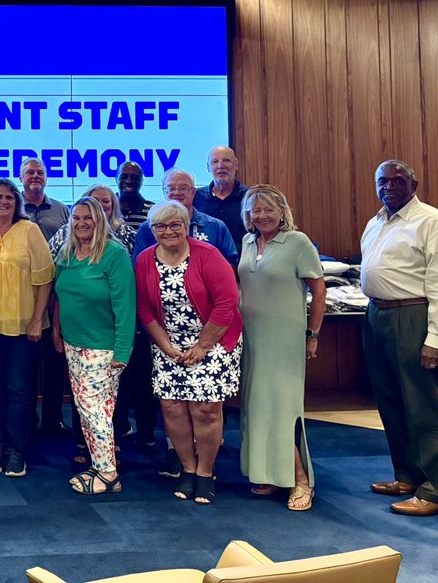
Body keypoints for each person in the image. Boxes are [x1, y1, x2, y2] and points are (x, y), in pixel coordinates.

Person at [361, 159, 438, 517]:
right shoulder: (376, 222)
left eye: (397, 180)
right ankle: (407, 477)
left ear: (414, 184)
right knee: (392, 401)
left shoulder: (432, 223)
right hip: (378, 315)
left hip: (413, 317)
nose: (389, 186)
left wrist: (437, 339)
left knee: (425, 405)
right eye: (382, 181)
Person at [135, 200, 242, 506]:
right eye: (160, 226)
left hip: (214, 341)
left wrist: (201, 347)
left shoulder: (208, 255)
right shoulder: (144, 260)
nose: (168, 231)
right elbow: (144, 307)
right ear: (151, 230)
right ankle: (188, 468)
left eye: (175, 225)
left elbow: (226, 303)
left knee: (205, 409)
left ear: (186, 226)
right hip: (168, 344)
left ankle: (206, 473)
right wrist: (166, 346)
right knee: (172, 409)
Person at [237, 184, 325, 511]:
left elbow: (319, 290)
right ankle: (270, 474)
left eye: (267, 210)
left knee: (284, 409)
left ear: (281, 210)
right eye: (255, 210)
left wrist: (312, 333)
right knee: (257, 406)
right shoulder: (247, 241)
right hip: (251, 337)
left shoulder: (298, 242)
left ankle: (301, 481)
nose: (261, 216)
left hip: (284, 339)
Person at [0, 178, 54, 479]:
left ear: (17, 203)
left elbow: (44, 280)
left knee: (20, 389)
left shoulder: (30, 231)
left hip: (22, 327)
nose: (3, 202)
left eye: (9, 198)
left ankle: (17, 448)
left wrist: (36, 320)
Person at [52, 197, 135, 495]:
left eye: (88, 217)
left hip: (103, 348)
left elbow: (126, 307)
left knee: (94, 410)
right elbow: (60, 296)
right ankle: (100, 464)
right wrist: (58, 332)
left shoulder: (114, 255)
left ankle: (109, 473)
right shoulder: (68, 253)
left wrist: (122, 353)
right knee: (90, 411)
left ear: (100, 220)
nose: (82, 223)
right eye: (76, 218)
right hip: (74, 345)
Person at [21, 158, 72, 439]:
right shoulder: (14, 208)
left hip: (57, 297)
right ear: (21, 177)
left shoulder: (62, 209)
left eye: (40, 172)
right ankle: (27, 419)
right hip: (24, 296)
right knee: (27, 365)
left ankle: (53, 421)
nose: (35, 176)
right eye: (30, 172)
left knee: (54, 362)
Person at [133, 170, 238, 266]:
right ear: (164, 192)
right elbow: (139, 265)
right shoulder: (148, 227)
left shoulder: (216, 227)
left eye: (183, 188)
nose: (177, 193)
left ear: (193, 192)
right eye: (171, 188)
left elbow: (231, 264)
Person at [193, 147, 250, 260]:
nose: (221, 165)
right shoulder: (195, 197)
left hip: (243, 264)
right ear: (208, 167)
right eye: (215, 162)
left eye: (226, 160)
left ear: (236, 165)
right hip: (203, 264)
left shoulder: (250, 197)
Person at [116, 162, 154, 227]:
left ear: (142, 181)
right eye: (124, 177)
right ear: (116, 179)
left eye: (134, 178)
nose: (129, 181)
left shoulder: (153, 211)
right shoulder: (105, 208)